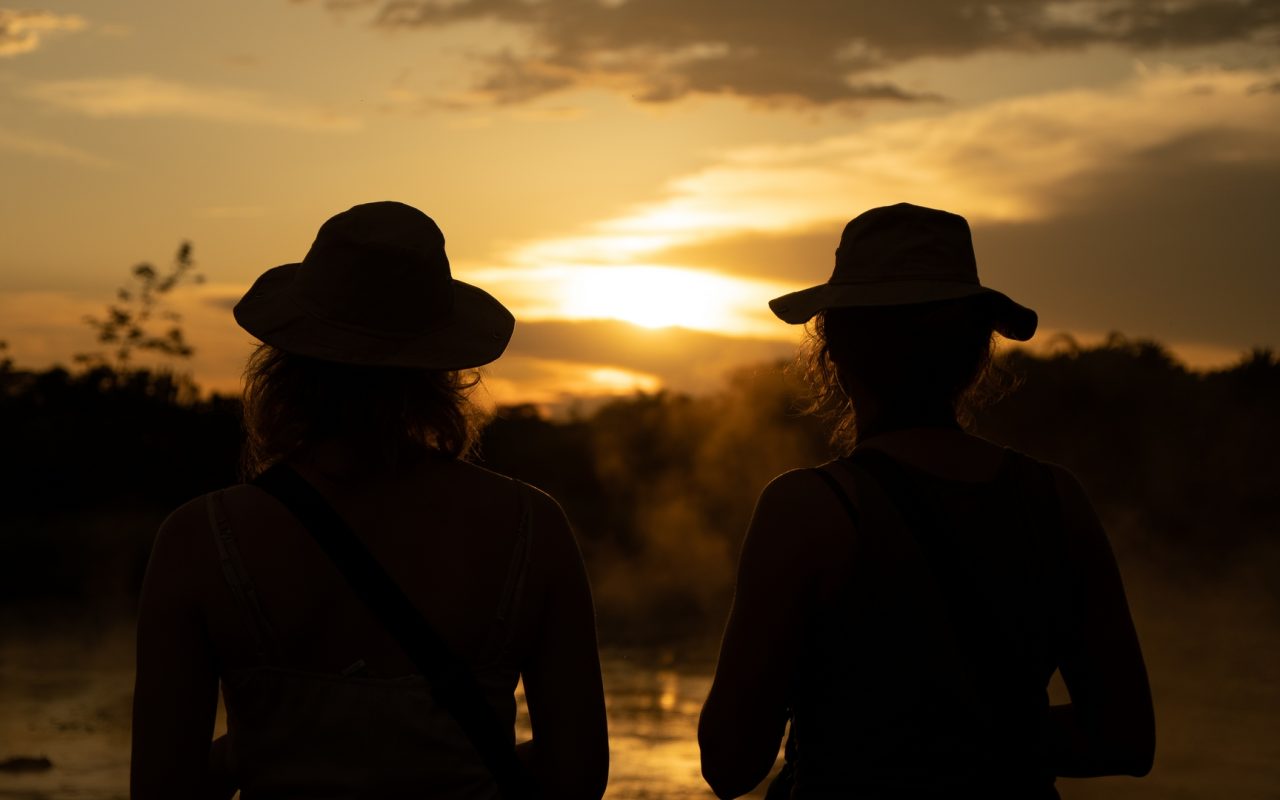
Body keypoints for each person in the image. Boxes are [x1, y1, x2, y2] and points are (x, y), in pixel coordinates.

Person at [130, 201, 609, 800]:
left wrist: (271, 742)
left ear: (285, 362)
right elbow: (577, 775)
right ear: (444, 370)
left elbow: (161, 789)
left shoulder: (200, 537)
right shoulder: (531, 526)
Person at [698, 203, 1154, 799]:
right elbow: (1124, 737)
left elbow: (730, 763)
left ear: (833, 348)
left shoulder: (810, 509)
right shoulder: (1056, 499)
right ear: (977, 353)